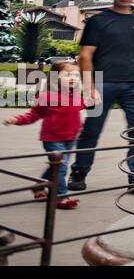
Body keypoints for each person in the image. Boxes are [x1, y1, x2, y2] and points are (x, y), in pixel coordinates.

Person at [69, 0, 134, 196]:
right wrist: (89, 87)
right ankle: (79, 172)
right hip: (102, 83)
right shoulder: (97, 21)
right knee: (92, 129)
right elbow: (85, 55)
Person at [4, 60, 86, 209]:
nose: (73, 78)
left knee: (56, 167)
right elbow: (33, 115)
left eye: (76, 75)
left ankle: (39, 186)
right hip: (53, 139)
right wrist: (16, 119)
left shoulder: (75, 96)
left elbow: (82, 105)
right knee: (61, 167)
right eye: (67, 75)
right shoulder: (46, 97)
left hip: (71, 138)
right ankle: (61, 197)